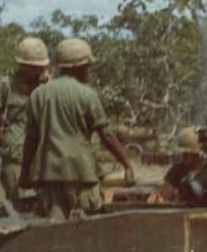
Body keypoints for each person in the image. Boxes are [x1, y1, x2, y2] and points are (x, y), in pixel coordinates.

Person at [21, 38, 135, 220]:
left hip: (49, 177)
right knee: (86, 227)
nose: (89, 70)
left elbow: (30, 140)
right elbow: (105, 134)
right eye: (87, 66)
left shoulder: (38, 95)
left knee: (53, 229)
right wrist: (127, 164)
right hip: (82, 175)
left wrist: (25, 175)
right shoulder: (87, 94)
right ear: (78, 66)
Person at [0, 37, 50, 205]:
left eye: (41, 67)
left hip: (42, 158)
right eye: (34, 67)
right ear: (22, 65)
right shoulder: (6, 86)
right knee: (18, 204)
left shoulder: (46, 87)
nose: (38, 71)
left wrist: (49, 87)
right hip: (14, 158)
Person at [149, 126, 206, 204]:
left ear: (198, 154)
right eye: (183, 152)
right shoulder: (177, 170)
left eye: (188, 153)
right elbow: (164, 196)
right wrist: (157, 199)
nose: (184, 155)